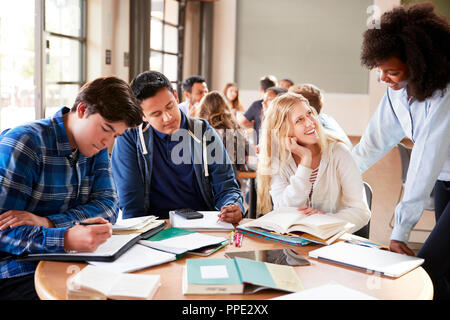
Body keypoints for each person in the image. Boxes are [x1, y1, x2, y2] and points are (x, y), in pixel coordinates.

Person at [0, 76, 143, 300]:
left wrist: (49, 223)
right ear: (83, 109)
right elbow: (4, 232)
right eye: (106, 129)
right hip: (17, 270)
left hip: (76, 261)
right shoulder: (24, 144)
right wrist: (65, 239)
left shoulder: (95, 147)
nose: (108, 142)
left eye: (115, 136)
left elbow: (109, 208)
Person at [352, 3, 450, 299]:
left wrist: (400, 230)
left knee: (429, 268)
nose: (384, 79)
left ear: (420, 63)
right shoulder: (398, 92)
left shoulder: (444, 94)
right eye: (381, 71)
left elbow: (425, 159)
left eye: (391, 72)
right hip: (445, 180)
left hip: (437, 171)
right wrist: (334, 178)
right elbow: (372, 143)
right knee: (444, 272)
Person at [111, 71, 244, 225]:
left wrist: (232, 206)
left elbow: (227, 186)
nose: (168, 117)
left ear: (176, 96)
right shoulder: (130, 138)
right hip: (153, 229)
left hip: (203, 225)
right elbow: (130, 203)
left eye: (170, 106)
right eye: (156, 114)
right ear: (142, 115)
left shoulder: (203, 131)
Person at [257, 92, 370, 233]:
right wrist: (305, 161)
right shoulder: (278, 160)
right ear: (283, 130)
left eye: (309, 113)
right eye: (299, 120)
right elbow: (283, 210)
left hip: (334, 245)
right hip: (293, 248)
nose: (311, 123)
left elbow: (361, 211)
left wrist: (324, 220)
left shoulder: (338, 152)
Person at [196, 91, 250, 176]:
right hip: (229, 183)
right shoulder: (236, 131)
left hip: (201, 184)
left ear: (203, 109)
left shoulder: (196, 130)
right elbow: (243, 163)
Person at [239, 75, 277, 144]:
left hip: (261, 145)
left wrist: (255, 121)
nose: (264, 104)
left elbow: (242, 122)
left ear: (261, 90)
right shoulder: (280, 105)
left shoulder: (256, 105)